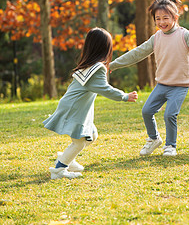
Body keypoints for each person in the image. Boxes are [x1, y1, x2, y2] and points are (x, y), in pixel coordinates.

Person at [109, 0, 189, 157]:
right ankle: (154, 139)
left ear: (175, 17)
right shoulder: (156, 38)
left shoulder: (184, 35)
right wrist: (113, 65)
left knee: (170, 114)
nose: (161, 22)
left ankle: (170, 146)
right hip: (162, 84)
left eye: (165, 18)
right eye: (158, 19)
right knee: (146, 111)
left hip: (179, 86)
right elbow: (137, 53)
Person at [43, 28, 138, 180]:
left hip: (73, 106)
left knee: (92, 135)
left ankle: (67, 158)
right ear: (105, 49)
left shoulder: (89, 65)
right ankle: (59, 170)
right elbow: (105, 89)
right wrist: (124, 96)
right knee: (79, 143)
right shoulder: (97, 69)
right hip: (74, 108)